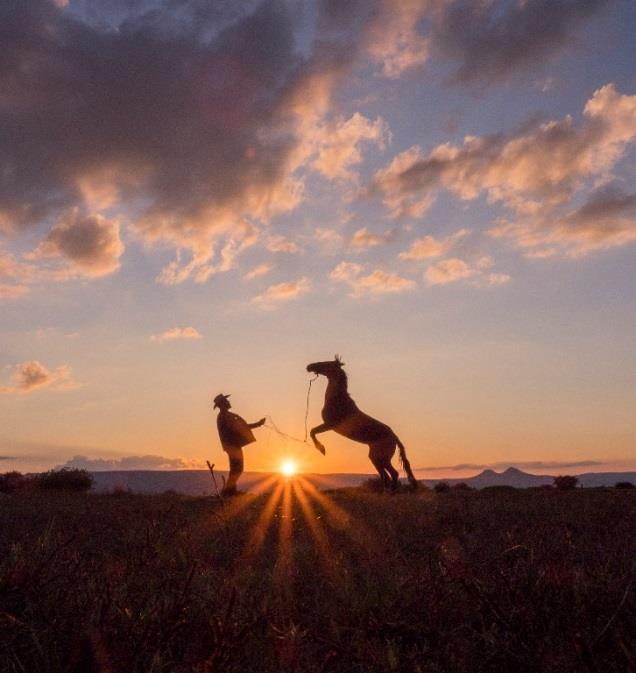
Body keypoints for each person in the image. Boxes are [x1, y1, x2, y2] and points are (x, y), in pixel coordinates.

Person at [213, 393, 265, 496]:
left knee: (236, 469)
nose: (229, 402)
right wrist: (258, 424)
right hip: (233, 446)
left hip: (231, 446)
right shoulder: (225, 416)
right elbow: (240, 427)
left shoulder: (224, 416)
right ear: (222, 404)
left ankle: (230, 491)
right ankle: (227, 492)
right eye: (226, 401)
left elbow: (240, 427)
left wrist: (257, 424)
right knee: (238, 469)